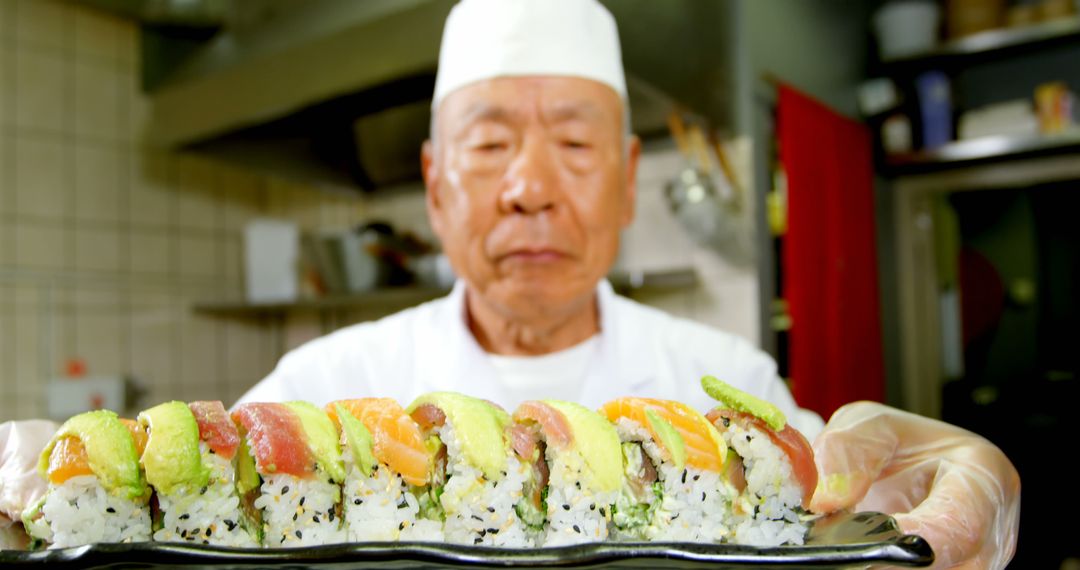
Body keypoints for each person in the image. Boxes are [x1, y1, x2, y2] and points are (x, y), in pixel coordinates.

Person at [0, 0, 1018, 567]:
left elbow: (840, 513)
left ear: (627, 184)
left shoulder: (724, 375)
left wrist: (930, 497)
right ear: (437, 189)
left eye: (575, 145)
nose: (530, 188)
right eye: (489, 145)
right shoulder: (320, 381)